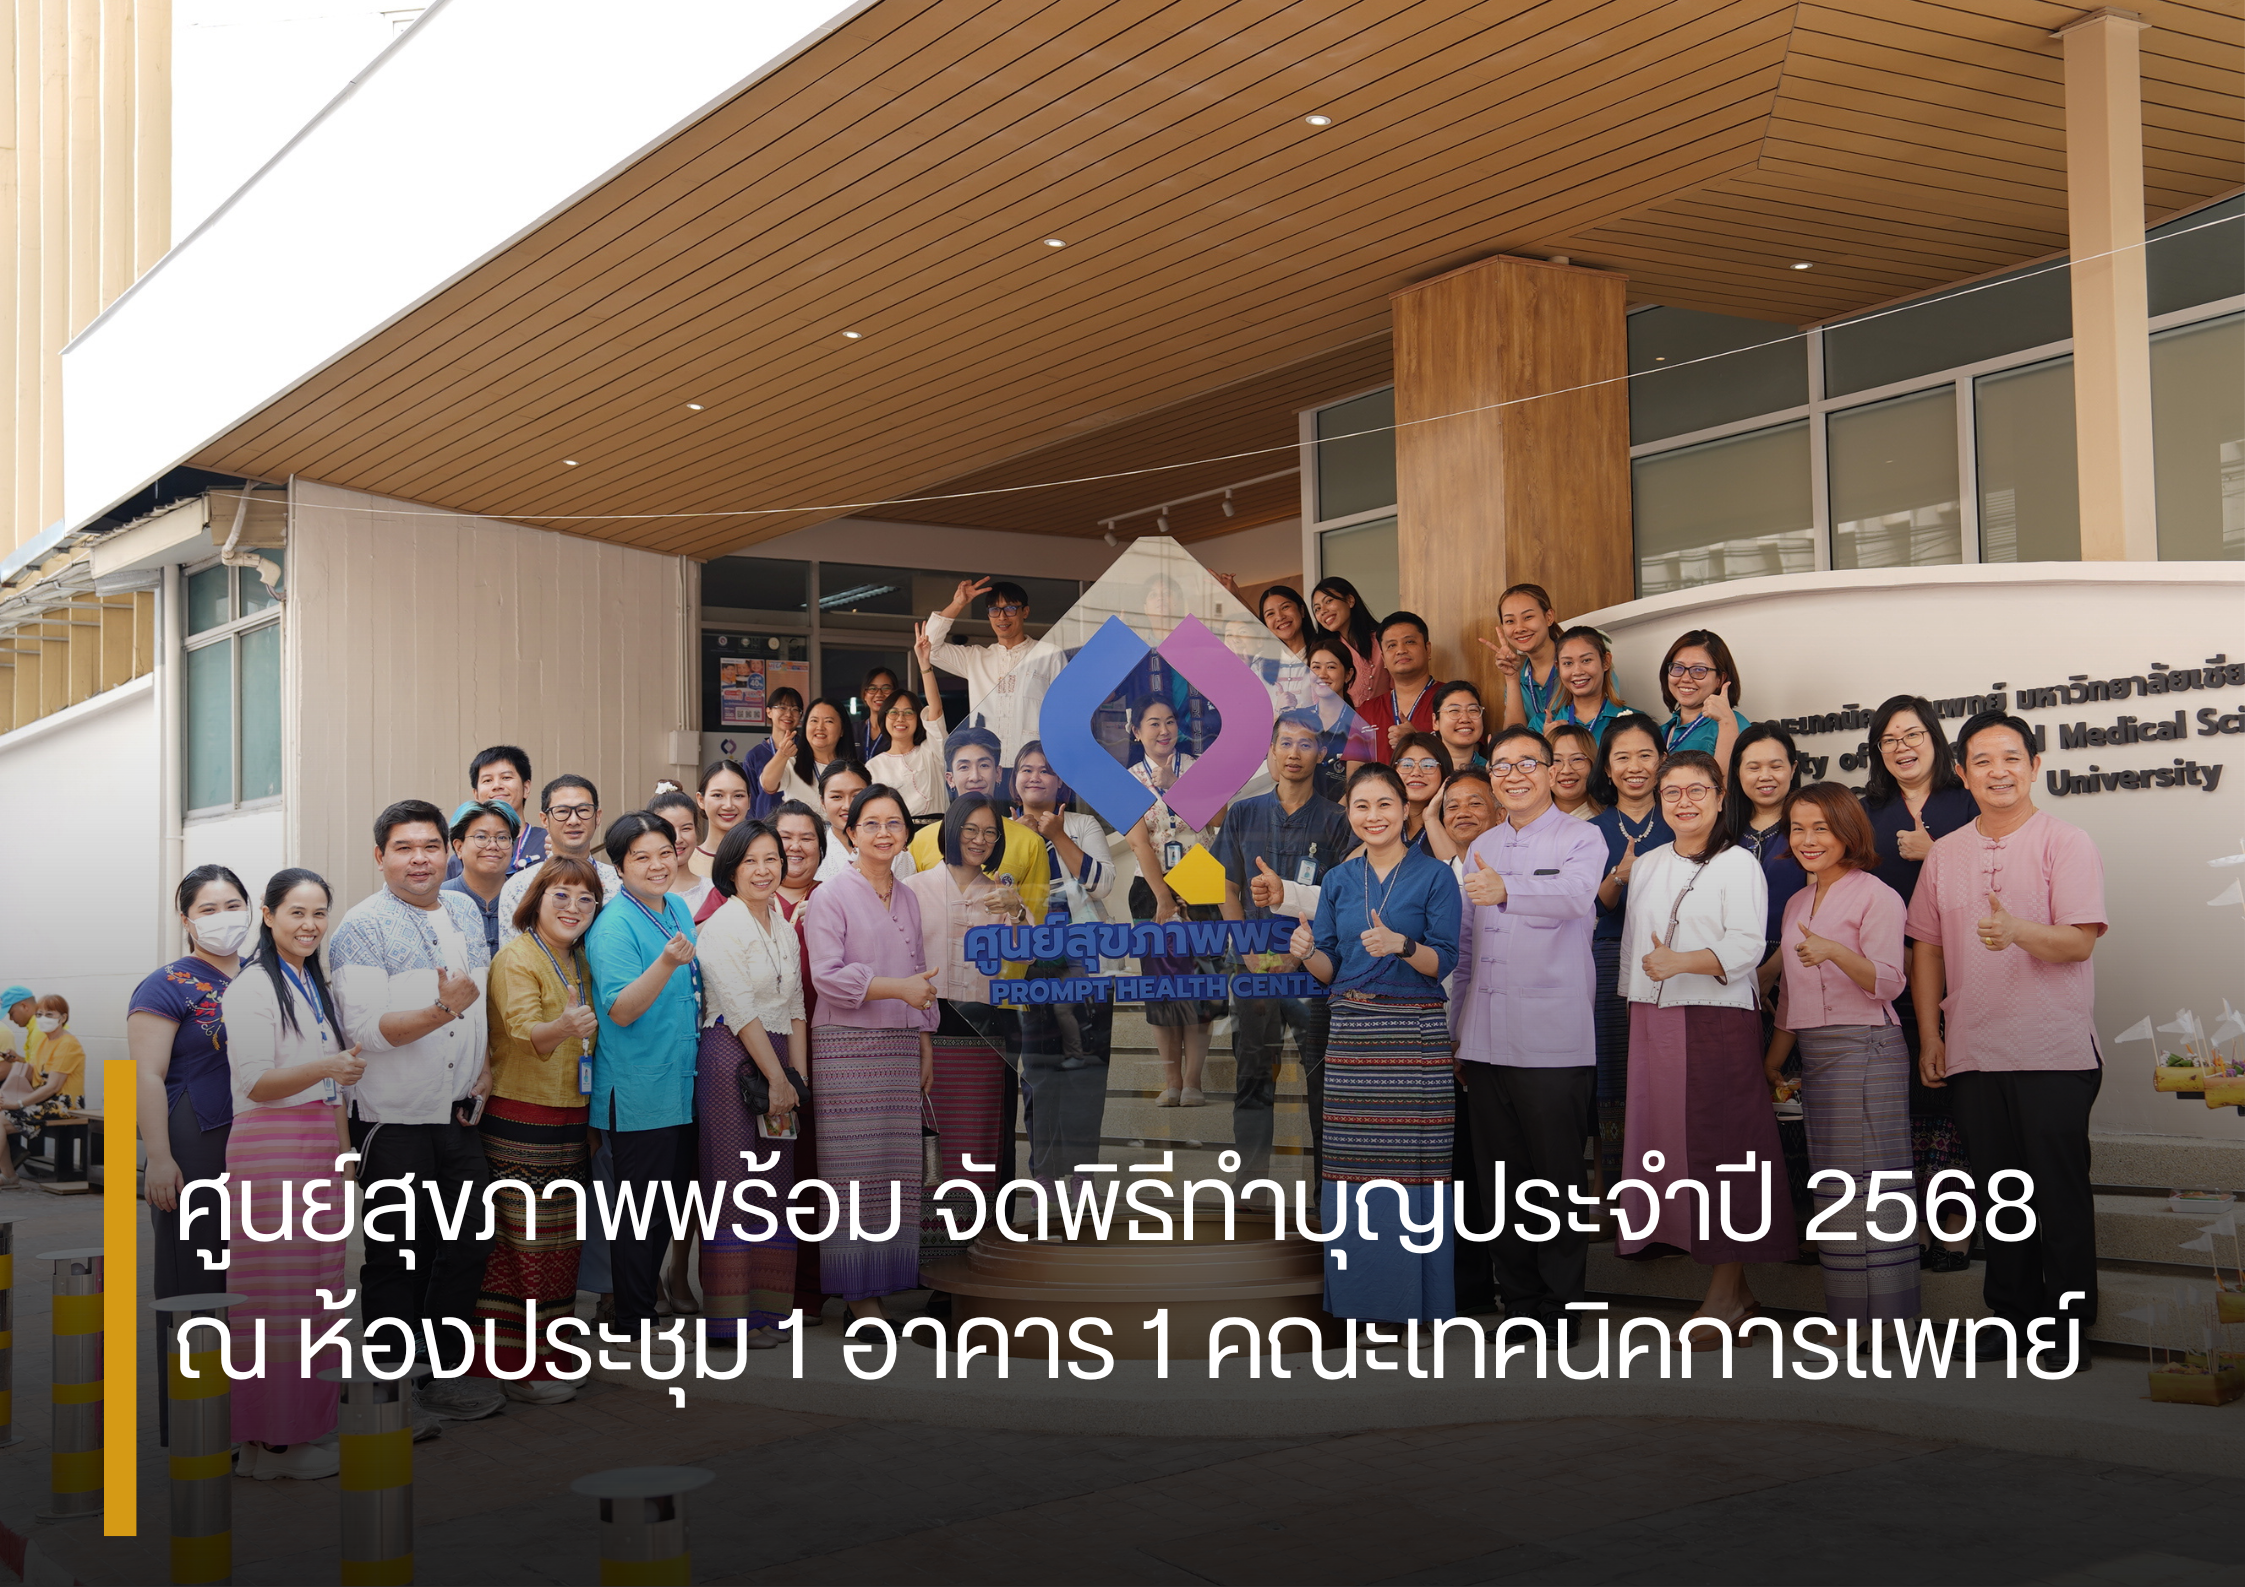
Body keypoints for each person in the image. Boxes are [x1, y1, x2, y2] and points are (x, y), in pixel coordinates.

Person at [1908, 711, 2105, 1357]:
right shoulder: (1945, 853)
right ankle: (2012, 1315)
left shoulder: (2065, 842)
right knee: (2001, 1196)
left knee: (2058, 1196)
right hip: (1973, 1047)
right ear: (1961, 773)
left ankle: (2066, 1328)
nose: (1998, 771)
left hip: (2053, 1049)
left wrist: (2018, 930)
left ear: (2034, 766)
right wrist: (1931, 1034)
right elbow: (1927, 948)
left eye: (2011, 758)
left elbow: (2078, 941)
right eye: (1983, 761)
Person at [327, 801, 499, 1418]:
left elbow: (478, 1002)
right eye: (403, 848)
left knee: (469, 1242)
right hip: (393, 1119)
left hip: (458, 1115)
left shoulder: (463, 910)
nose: (419, 859)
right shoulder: (360, 927)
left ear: (448, 852)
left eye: (430, 846)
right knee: (398, 1255)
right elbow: (366, 1031)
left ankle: (441, 1374)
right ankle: (389, 1392)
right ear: (380, 857)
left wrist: (484, 1063)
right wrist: (443, 1010)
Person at [1618, 751, 1796, 1335]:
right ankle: (1737, 1294)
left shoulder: (1738, 862)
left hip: (1714, 1019)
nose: (1684, 802)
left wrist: (1682, 962)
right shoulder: (1648, 863)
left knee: (1723, 1151)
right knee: (1669, 1149)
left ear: (1721, 798)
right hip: (1652, 1018)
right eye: (1672, 792)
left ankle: (1723, 1296)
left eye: (1697, 790)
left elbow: (1748, 945)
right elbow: (1633, 949)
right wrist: (1642, 994)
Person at [1290, 762, 1461, 1324]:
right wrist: (1306, 954)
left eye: (1385, 804)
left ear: (1405, 810)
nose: (1373, 816)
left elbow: (1444, 962)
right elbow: (1330, 968)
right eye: (1361, 806)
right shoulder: (1339, 880)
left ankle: (1417, 1309)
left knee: (1416, 1176)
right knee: (1352, 1174)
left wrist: (1401, 945)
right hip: (1352, 1042)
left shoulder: (1435, 876)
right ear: (1349, 814)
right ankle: (1361, 1307)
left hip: (1413, 1039)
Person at [1452, 725, 1607, 1326]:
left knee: (1557, 1183)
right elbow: (1467, 947)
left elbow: (1575, 896)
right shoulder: (1483, 843)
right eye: (1502, 766)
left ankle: (1562, 1307)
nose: (1513, 775)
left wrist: (1506, 888)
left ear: (1550, 772)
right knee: (1500, 1182)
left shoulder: (1581, 837)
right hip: (1486, 1039)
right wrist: (1458, 1030)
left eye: (1527, 764)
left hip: (1552, 1040)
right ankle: (1518, 1303)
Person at [1762, 785, 1918, 1327]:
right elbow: (1790, 996)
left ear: (1847, 833)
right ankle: (1851, 1317)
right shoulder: (1797, 902)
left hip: (1867, 1048)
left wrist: (1834, 952)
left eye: (1820, 828)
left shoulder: (1878, 895)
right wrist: (1773, 1061)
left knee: (1874, 1187)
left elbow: (1890, 982)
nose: (1807, 839)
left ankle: (1889, 1321)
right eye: (1797, 828)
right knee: (1835, 1188)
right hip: (1817, 1054)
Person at [224, 868, 360, 1478]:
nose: (310, 925)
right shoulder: (253, 986)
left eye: (319, 913)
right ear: (268, 915)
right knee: (277, 1303)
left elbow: (333, 1090)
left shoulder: (309, 981)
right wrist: (326, 1065)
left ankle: (281, 1439)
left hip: (316, 1147)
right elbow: (256, 1082)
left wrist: (344, 1162)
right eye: (297, 912)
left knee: (315, 1296)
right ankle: (276, 1442)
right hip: (273, 1150)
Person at [805, 785, 940, 1318]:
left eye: (894, 823)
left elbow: (921, 975)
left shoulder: (908, 895)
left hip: (902, 1046)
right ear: (851, 833)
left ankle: (884, 1280)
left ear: (907, 832)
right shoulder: (830, 894)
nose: (884, 833)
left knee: (895, 1172)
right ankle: (858, 1295)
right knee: (852, 1173)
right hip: (847, 1048)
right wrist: (897, 990)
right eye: (871, 824)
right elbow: (827, 977)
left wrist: (925, 1040)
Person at [476, 855, 604, 1399]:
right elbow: (524, 1031)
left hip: (571, 1119)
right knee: (521, 1247)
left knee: (560, 1246)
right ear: (536, 900)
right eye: (562, 895)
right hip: (520, 1118)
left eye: (586, 898)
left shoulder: (580, 959)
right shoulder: (516, 957)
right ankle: (513, 1367)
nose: (574, 907)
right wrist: (564, 1026)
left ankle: (550, 1353)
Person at [1860, 693, 1979, 1273]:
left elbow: (2000, 877)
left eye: (1912, 735)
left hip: (1964, 972)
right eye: (1889, 740)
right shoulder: (1866, 809)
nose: (1902, 747)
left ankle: (1956, 1226)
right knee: (1904, 1103)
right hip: (1886, 978)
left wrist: (1937, 854)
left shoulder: (1968, 800)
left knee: (1956, 1102)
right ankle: (1913, 1225)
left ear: (1935, 738)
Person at [1219, 712, 1352, 1186]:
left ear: (1321, 753)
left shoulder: (1338, 820)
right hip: (1253, 967)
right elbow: (1227, 887)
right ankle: (1251, 1189)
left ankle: (1326, 1194)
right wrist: (1248, 950)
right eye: (1286, 743)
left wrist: (1301, 953)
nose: (1295, 753)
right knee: (1253, 1078)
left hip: (1313, 969)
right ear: (1271, 751)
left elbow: (1344, 897)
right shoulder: (1243, 813)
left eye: (1306, 743)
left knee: (1323, 1083)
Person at [584, 810, 701, 1332]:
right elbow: (621, 1009)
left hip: (680, 1083)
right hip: (637, 1089)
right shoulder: (612, 925)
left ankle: (642, 1311)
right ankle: (631, 1319)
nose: (657, 865)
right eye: (641, 857)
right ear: (619, 867)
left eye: (665, 853)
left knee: (667, 1208)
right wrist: (666, 963)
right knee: (637, 1213)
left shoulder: (677, 906)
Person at [695, 821, 808, 1349]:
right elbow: (740, 1009)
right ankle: (731, 1320)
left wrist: (797, 1079)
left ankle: (767, 1312)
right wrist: (777, 1078)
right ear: (731, 869)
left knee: (774, 1186)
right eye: (750, 861)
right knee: (735, 1185)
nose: (764, 871)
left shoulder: (782, 922)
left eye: (772, 859)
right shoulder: (721, 925)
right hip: (733, 1059)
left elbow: (796, 1004)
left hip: (779, 1060)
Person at [129, 866, 251, 1305]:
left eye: (233, 906)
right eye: (209, 909)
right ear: (186, 920)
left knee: (252, 1259)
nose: (224, 917)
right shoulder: (165, 984)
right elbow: (147, 1075)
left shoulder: (266, 975)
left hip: (259, 1134)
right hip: (196, 1134)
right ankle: (188, 1352)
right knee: (195, 1258)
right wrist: (159, 1158)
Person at [905, 796, 1020, 1241]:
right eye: (971, 829)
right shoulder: (913, 889)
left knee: (982, 1138)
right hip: (927, 1026)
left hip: (985, 1031)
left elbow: (1026, 956)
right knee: (933, 1142)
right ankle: (929, 1247)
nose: (980, 840)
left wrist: (1016, 913)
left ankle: (983, 1241)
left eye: (990, 832)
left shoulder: (1002, 894)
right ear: (952, 829)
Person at [1122, 697, 1221, 1105]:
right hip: (1151, 888)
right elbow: (1138, 843)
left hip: (1201, 880)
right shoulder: (1127, 779)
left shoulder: (1198, 768)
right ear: (1136, 732)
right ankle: (1172, 1081)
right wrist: (1163, 897)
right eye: (1153, 723)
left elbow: (1220, 820)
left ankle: (1194, 1082)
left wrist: (1177, 787)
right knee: (1161, 989)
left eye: (1169, 722)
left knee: (1200, 986)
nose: (1163, 730)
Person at [1589, 712, 1669, 1189]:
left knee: (1667, 1073)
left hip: (1674, 963)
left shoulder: (1683, 818)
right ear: (1607, 766)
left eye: (1645, 755)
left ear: (1663, 760)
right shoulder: (1589, 830)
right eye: (1622, 757)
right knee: (1614, 1076)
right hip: (1607, 957)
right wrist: (1618, 877)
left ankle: (1671, 1191)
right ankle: (1616, 1194)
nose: (1634, 767)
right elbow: (1589, 909)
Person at [907, 727, 1049, 924]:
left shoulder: (1030, 842)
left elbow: (1034, 928)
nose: (975, 776)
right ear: (950, 779)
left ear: (998, 773)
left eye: (984, 765)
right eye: (964, 767)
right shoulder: (920, 841)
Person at [924, 578, 1065, 768]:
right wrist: (958, 604)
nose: (1002, 617)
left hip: (1033, 765)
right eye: (994, 610)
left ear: (1025, 612)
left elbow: (1064, 711)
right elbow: (928, 648)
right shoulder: (976, 658)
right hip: (985, 767)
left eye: (1010, 609)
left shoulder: (1048, 654)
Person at [499, 776, 621, 947]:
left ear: (597, 817)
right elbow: (512, 955)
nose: (574, 820)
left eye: (583, 810)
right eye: (562, 811)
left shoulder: (620, 883)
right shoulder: (520, 886)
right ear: (544, 820)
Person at [867, 623, 952, 819]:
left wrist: (924, 664)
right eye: (893, 712)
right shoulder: (873, 767)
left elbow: (936, 709)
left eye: (908, 712)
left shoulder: (931, 752)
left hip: (935, 833)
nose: (900, 719)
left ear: (919, 718)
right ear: (884, 718)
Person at [447, 746, 548, 879]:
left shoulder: (548, 843)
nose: (497, 786)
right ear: (476, 794)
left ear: (526, 788)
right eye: (487, 780)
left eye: (506, 777)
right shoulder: (463, 855)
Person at [1356, 612, 1441, 764]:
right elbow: (1354, 771)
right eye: (1391, 645)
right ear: (1383, 658)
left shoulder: (1453, 698)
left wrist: (1416, 738)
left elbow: (1466, 758)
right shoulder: (1366, 711)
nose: (1401, 650)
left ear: (1427, 649)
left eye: (1410, 642)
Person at [443, 798, 522, 957]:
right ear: (459, 847)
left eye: (502, 837)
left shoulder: (527, 900)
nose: (493, 845)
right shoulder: (438, 900)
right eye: (481, 837)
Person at [1657, 629, 1748, 764]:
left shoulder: (1734, 724)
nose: (1685, 678)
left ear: (1720, 679)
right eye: (1678, 667)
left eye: (1699, 670)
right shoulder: (1660, 732)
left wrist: (1727, 722)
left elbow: (1732, 777)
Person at [1483, 583, 1562, 733]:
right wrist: (1512, 678)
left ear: (1549, 617)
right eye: (1510, 621)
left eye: (1528, 617)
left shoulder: (1577, 664)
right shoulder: (1519, 677)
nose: (1519, 628)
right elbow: (1514, 737)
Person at [1305, 635, 1376, 800]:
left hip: (1342, 811)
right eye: (1315, 667)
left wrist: (1334, 813)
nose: (1322, 674)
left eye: (1331, 667)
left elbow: (1356, 786)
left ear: (1348, 675)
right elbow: (1279, 775)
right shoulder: (1300, 720)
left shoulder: (1360, 723)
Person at [1533, 626, 1632, 743]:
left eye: (1586, 660)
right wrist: (1548, 742)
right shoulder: (1540, 724)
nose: (1577, 671)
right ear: (1558, 667)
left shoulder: (1633, 722)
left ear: (1606, 661)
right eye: (1568, 663)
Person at [1309, 576, 1388, 707]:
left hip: (1386, 717)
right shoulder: (1322, 650)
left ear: (1350, 600)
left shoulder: (1383, 639)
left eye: (1328, 601)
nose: (1323, 611)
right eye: (1317, 608)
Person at [765, 697, 852, 810]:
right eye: (814, 721)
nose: (820, 727)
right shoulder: (792, 764)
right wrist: (782, 755)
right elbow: (768, 785)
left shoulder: (852, 770)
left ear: (842, 730)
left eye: (828, 721)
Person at [651, 787, 719, 929]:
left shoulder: (713, 891)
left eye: (686, 828)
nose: (678, 839)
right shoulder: (642, 893)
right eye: (668, 830)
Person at [689, 760, 755, 886]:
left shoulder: (764, 859)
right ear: (701, 800)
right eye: (718, 795)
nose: (728, 805)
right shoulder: (685, 861)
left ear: (749, 800)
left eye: (738, 796)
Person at [745, 686, 806, 819]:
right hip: (766, 825)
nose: (788, 714)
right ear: (769, 712)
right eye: (782, 707)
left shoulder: (808, 750)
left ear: (800, 715)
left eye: (795, 709)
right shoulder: (755, 755)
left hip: (800, 823)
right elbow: (750, 801)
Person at [1391, 732, 1448, 851]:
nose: (1416, 772)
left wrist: (1431, 818)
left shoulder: (1456, 817)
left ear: (1444, 772)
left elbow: (1455, 863)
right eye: (1406, 764)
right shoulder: (1375, 814)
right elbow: (1352, 861)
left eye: (1428, 765)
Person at [29, 995, 85, 1107]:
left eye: (49, 1014)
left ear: (63, 1018)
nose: (43, 1018)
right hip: (41, 1100)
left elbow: (53, 1087)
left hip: (61, 1104)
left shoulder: (68, 1044)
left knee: (5, 1115)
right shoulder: (43, 1041)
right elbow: (33, 1073)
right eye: (39, 1015)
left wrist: (18, 1103)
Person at [1548, 723, 1604, 820]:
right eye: (1556, 760)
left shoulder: (1612, 821)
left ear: (1593, 763)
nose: (1566, 770)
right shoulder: (1526, 820)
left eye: (1577, 759)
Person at [1431, 680, 1489, 772]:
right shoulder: (1422, 770)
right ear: (1435, 722)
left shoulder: (1492, 773)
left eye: (1473, 710)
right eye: (1454, 711)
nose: (1465, 719)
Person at [855, 666, 900, 760]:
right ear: (864, 695)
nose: (879, 694)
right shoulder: (853, 731)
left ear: (895, 694)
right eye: (872, 688)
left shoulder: (900, 730)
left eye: (886, 688)